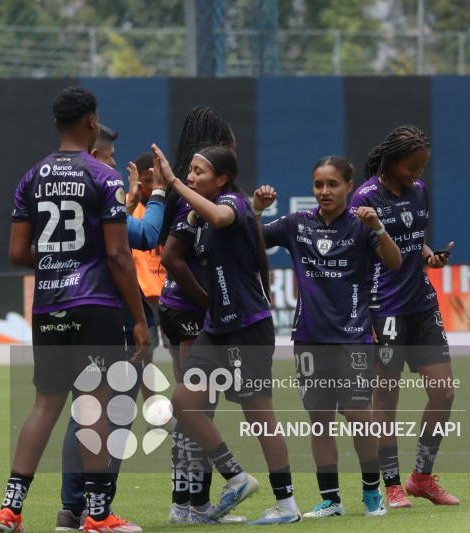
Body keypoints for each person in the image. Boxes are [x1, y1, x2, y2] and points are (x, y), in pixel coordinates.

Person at [0, 86, 148, 533]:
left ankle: (10, 510)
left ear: (56, 123)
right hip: (95, 306)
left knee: (44, 406)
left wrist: (60, 260)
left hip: (48, 307)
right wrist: (139, 319)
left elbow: (17, 253)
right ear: (92, 121)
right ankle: (97, 516)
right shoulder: (105, 177)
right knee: (94, 408)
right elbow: (118, 256)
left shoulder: (31, 177)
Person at [153, 143, 303, 526]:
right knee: (184, 402)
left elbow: (222, 217)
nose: (190, 177)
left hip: (248, 327)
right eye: (188, 171)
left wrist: (172, 182)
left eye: (198, 172)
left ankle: (287, 505)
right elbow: (174, 250)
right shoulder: (198, 214)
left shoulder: (231, 202)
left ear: (222, 179)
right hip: (216, 328)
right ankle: (236, 477)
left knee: (259, 418)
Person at [252, 156, 402, 518]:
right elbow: (252, 240)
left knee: (359, 417)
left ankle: (372, 493)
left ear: (349, 186)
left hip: (353, 340)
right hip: (308, 339)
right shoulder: (296, 224)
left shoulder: (362, 224)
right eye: (318, 184)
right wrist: (256, 210)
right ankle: (331, 499)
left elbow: (395, 262)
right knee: (320, 421)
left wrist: (379, 227)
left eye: (332, 184)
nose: (324, 191)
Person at [56, 129, 166, 532]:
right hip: (112, 316)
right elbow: (145, 236)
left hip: (71, 312)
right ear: (93, 154)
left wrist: (129, 202)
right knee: (114, 416)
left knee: (81, 414)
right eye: (111, 156)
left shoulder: (56, 190)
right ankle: (99, 513)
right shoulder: (102, 190)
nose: (116, 164)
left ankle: (70, 511)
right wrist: (158, 193)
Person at [348, 125, 459, 508]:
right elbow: (356, 255)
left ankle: (421, 478)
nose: (418, 174)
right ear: (392, 162)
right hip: (384, 310)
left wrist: (429, 256)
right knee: (386, 401)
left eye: (422, 167)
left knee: (444, 392)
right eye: (412, 167)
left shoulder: (419, 191)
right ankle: (392, 485)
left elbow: (411, 237)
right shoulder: (364, 198)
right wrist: (363, 316)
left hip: (423, 305)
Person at [155, 107, 244, 525]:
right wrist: (210, 302)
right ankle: (193, 505)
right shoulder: (193, 198)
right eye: (230, 146)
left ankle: (186, 504)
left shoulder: (187, 191)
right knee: (198, 409)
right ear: (217, 146)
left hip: (176, 309)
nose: (234, 153)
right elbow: (172, 258)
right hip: (190, 311)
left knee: (192, 408)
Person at [126, 152, 168, 404]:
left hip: (172, 292)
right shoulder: (130, 207)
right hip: (144, 296)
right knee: (145, 356)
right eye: (146, 181)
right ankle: (154, 411)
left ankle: (187, 413)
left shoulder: (168, 206)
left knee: (182, 353)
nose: (151, 186)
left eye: (155, 180)